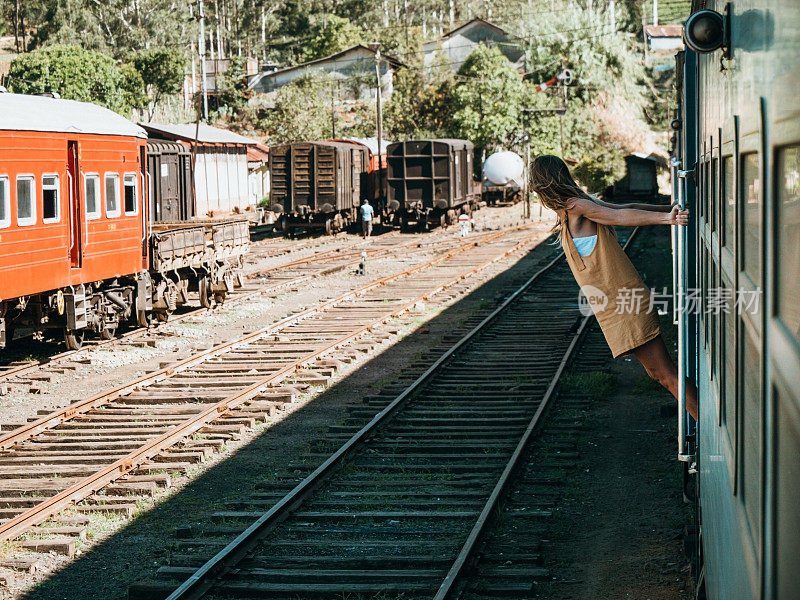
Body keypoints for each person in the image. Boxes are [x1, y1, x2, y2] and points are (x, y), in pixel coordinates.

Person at [530, 155, 699, 421]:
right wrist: (664, 209)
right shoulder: (570, 211)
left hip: (624, 302)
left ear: (543, 185)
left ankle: (708, 425)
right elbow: (625, 206)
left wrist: (668, 218)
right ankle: (706, 423)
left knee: (665, 375)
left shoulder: (576, 206)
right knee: (660, 374)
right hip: (615, 306)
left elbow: (620, 215)